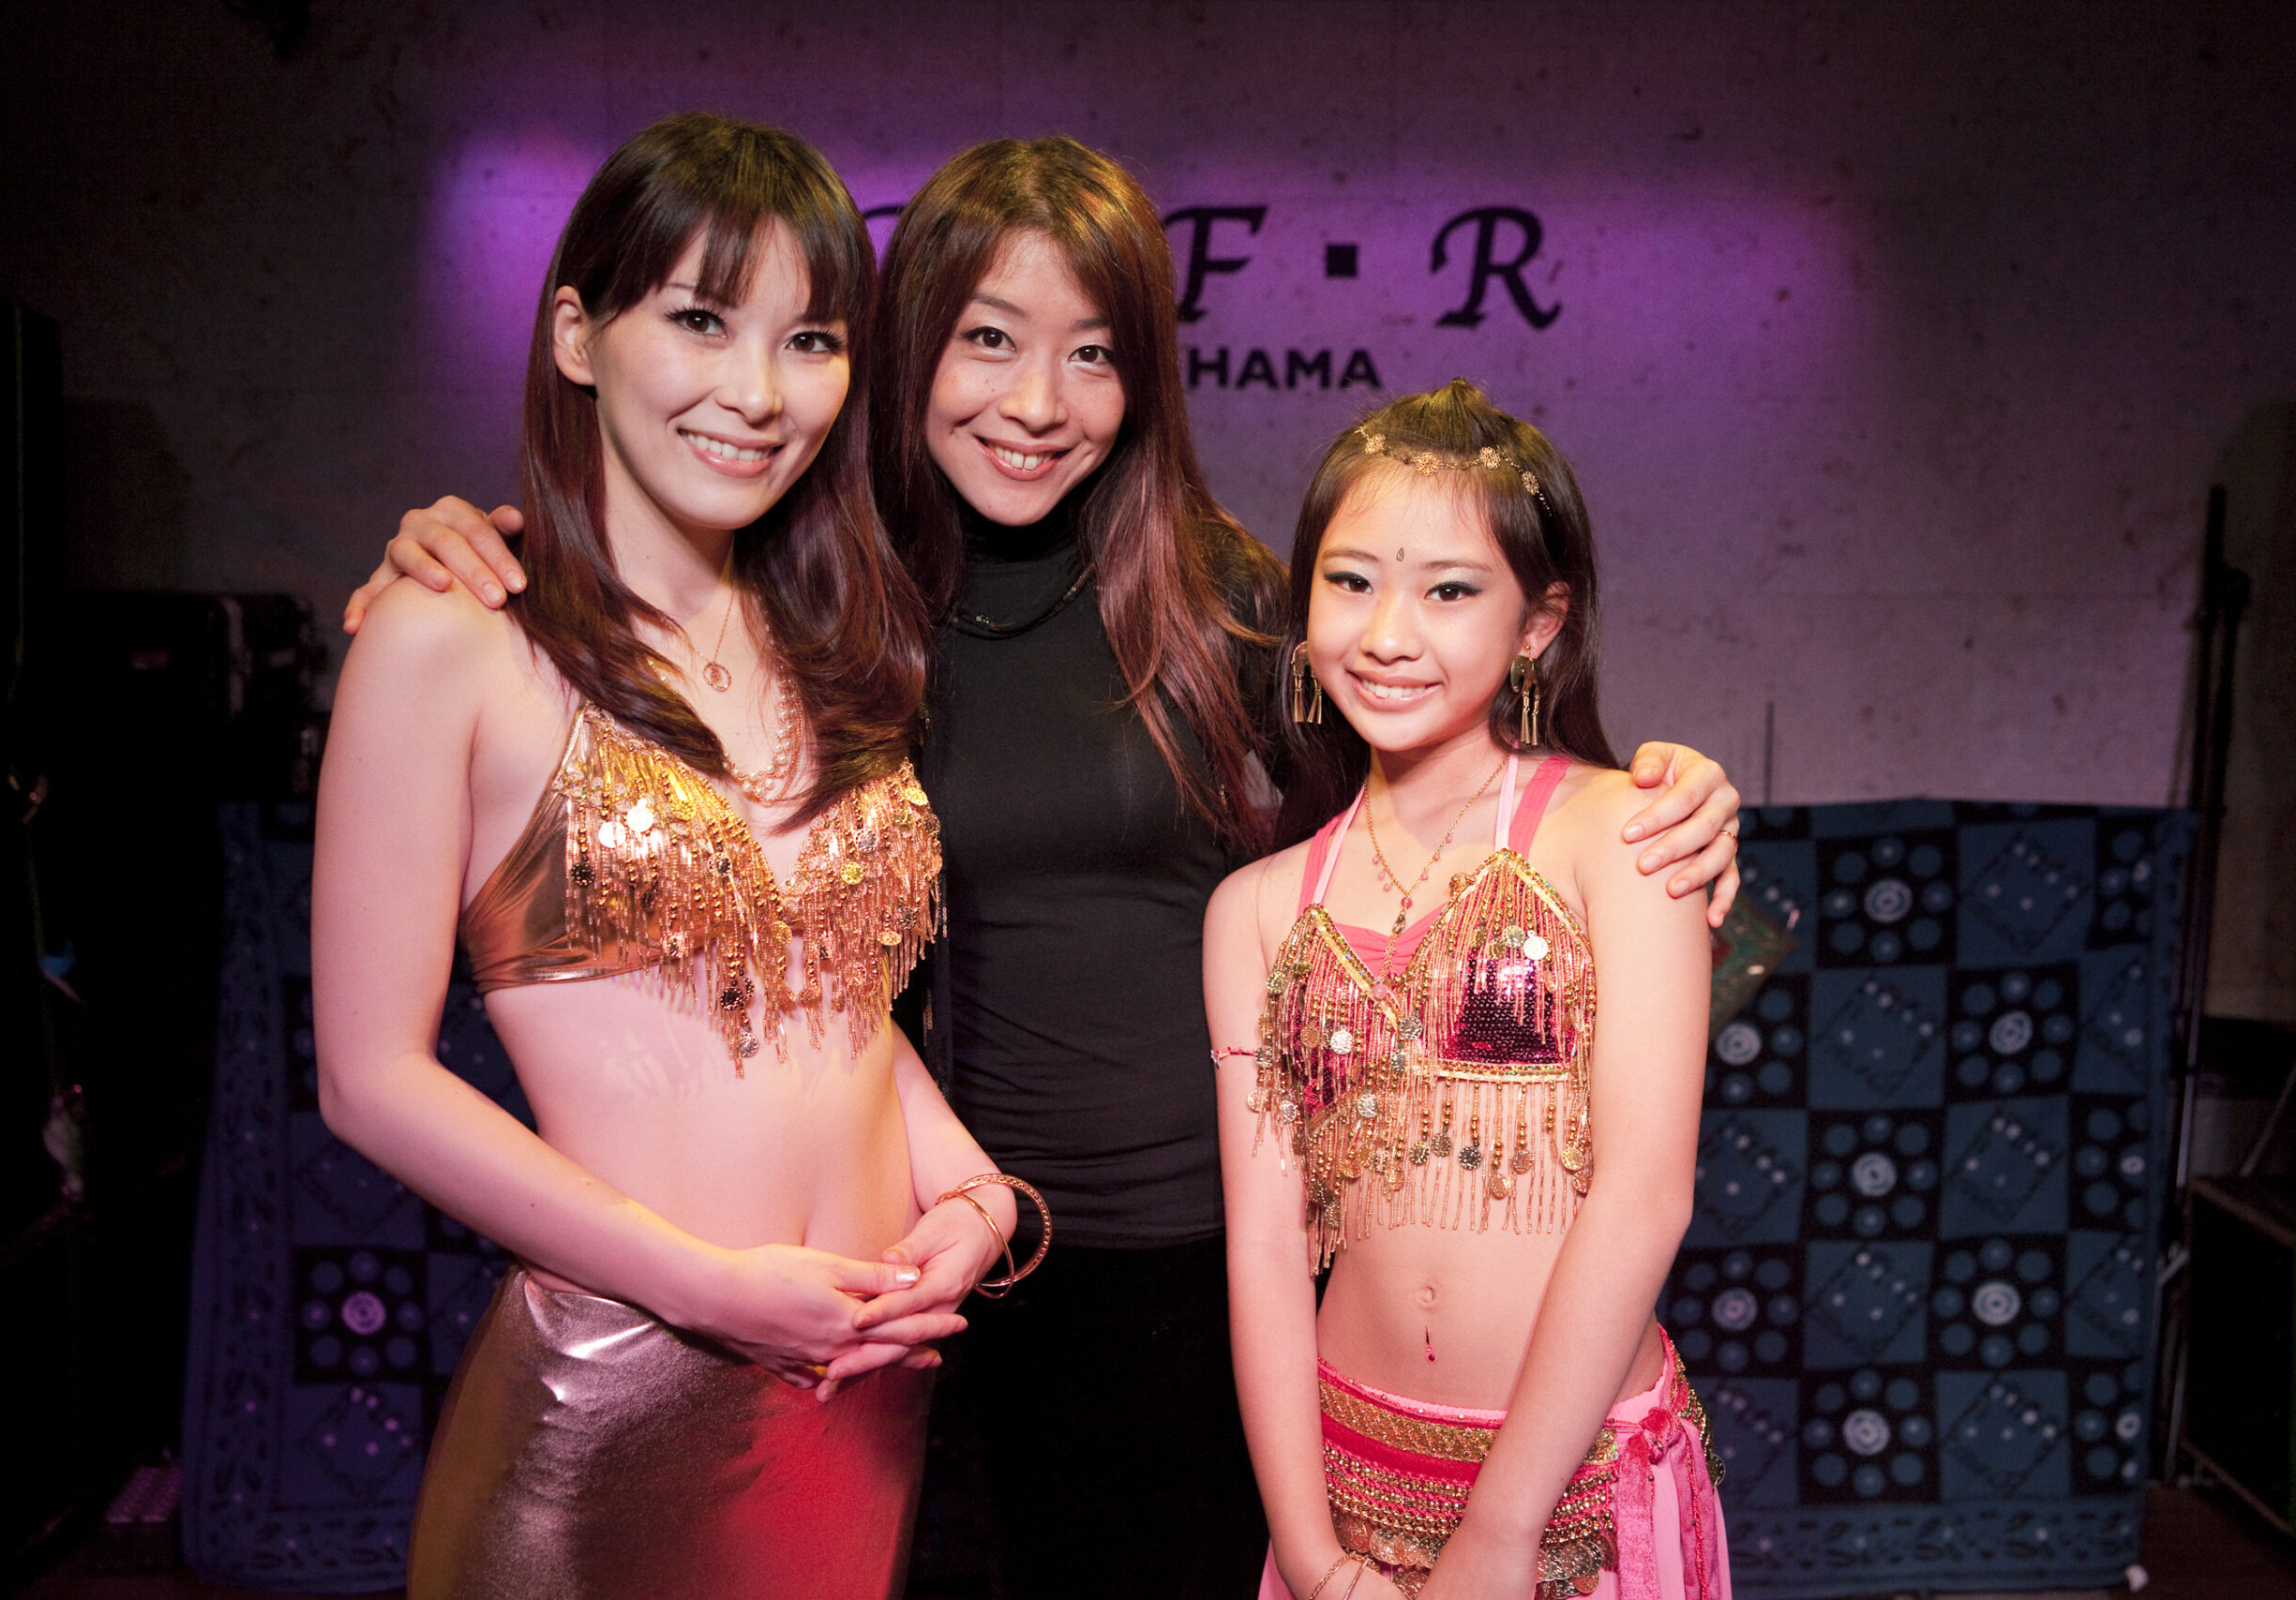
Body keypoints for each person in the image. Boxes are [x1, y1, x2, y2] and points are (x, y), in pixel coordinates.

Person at [346, 140, 1743, 1598]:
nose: (1035, 405)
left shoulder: (1212, 601)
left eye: (1093, 354)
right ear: (903, 346)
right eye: (988, 340)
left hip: (1206, 1266)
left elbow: (1430, 786)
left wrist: (1666, 797)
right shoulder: (821, 602)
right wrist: (462, 558)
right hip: (926, 1263)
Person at [312, 112, 1040, 1600]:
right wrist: (705, 1288)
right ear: (578, 335)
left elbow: (835, 1004)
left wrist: (970, 1196)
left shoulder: (831, 642)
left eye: (809, 341)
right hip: (624, 1393)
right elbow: (369, 1079)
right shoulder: (450, 641)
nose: (758, 394)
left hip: (862, 1388)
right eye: (702, 321)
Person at [1208, 382, 1730, 1600]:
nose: (1389, 633)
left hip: (1571, 1490)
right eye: (1350, 582)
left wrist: (1499, 1535)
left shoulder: (1628, 836)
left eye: (1448, 591)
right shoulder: (1255, 910)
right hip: (1346, 1484)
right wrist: (1309, 1553)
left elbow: (1646, 1197)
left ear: (1539, 622)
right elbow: (1266, 1249)